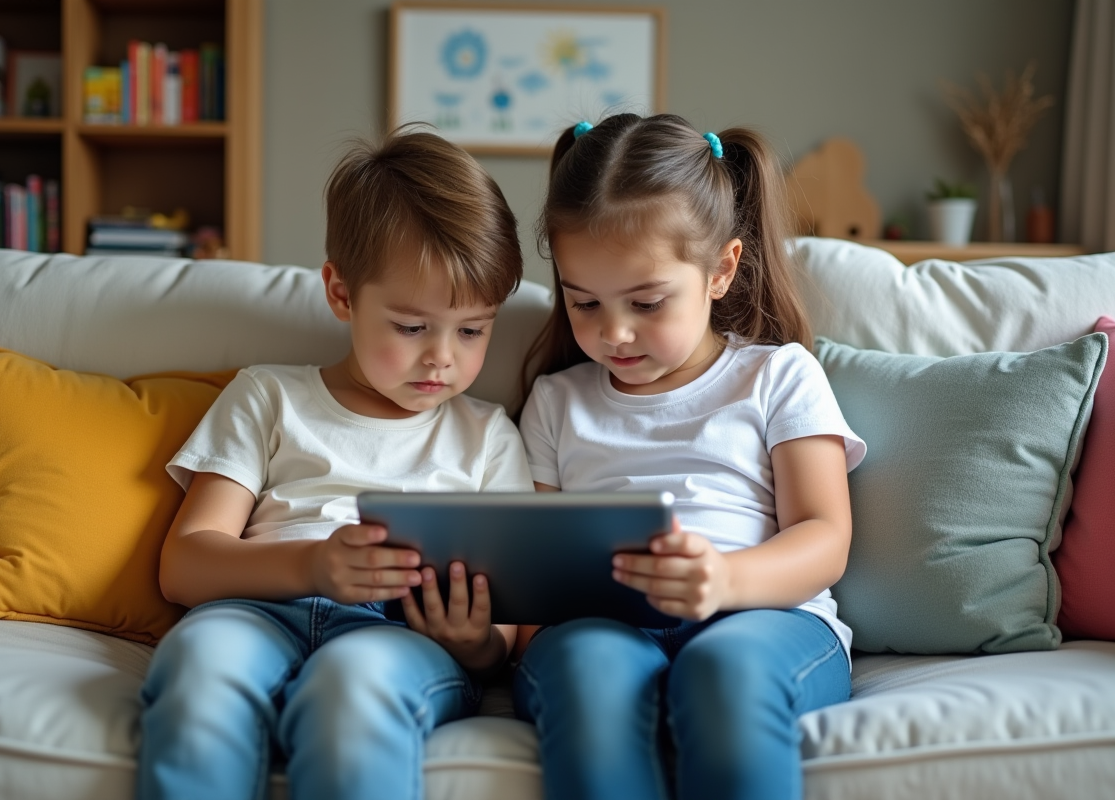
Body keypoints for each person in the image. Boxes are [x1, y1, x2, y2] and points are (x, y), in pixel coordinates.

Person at [137, 129, 531, 800]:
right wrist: (312, 566)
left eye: (472, 330)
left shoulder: (488, 435)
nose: (442, 357)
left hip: (400, 634)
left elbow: (506, 631)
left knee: (350, 690)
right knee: (201, 669)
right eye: (412, 327)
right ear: (342, 295)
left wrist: (473, 641)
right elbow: (184, 565)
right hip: (256, 611)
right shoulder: (267, 395)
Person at [514, 114, 867, 800]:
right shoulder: (556, 401)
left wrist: (725, 581)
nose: (613, 332)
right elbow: (535, 564)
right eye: (583, 301)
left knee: (725, 676)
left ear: (720, 271)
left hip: (767, 618)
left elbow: (825, 537)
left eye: (646, 302)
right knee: (590, 677)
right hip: (599, 626)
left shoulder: (777, 376)